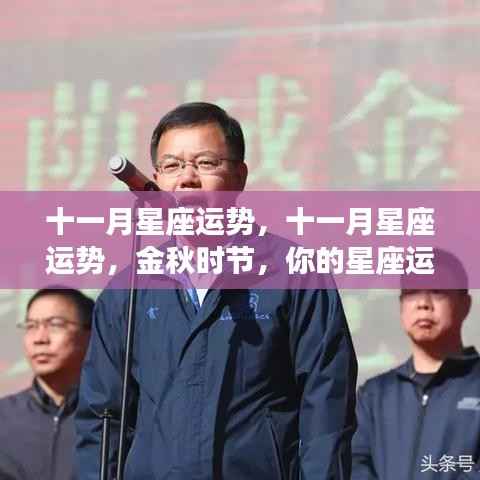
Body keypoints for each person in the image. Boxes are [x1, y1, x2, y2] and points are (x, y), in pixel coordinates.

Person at [75, 102, 357, 480]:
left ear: (239, 177)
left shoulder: (294, 274)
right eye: (172, 166)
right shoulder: (127, 290)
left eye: (206, 163)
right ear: (155, 180)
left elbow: (326, 410)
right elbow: (102, 419)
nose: (187, 179)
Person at [352, 248, 480, 480]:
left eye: (437, 291)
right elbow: (355, 463)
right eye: (412, 293)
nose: (423, 303)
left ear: (465, 304)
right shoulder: (374, 395)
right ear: (401, 306)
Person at [0, 287, 93, 480]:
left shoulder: (112, 418)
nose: (40, 339)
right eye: (31, 326)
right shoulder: (4, 415)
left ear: (90, 335)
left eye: (55, 325)